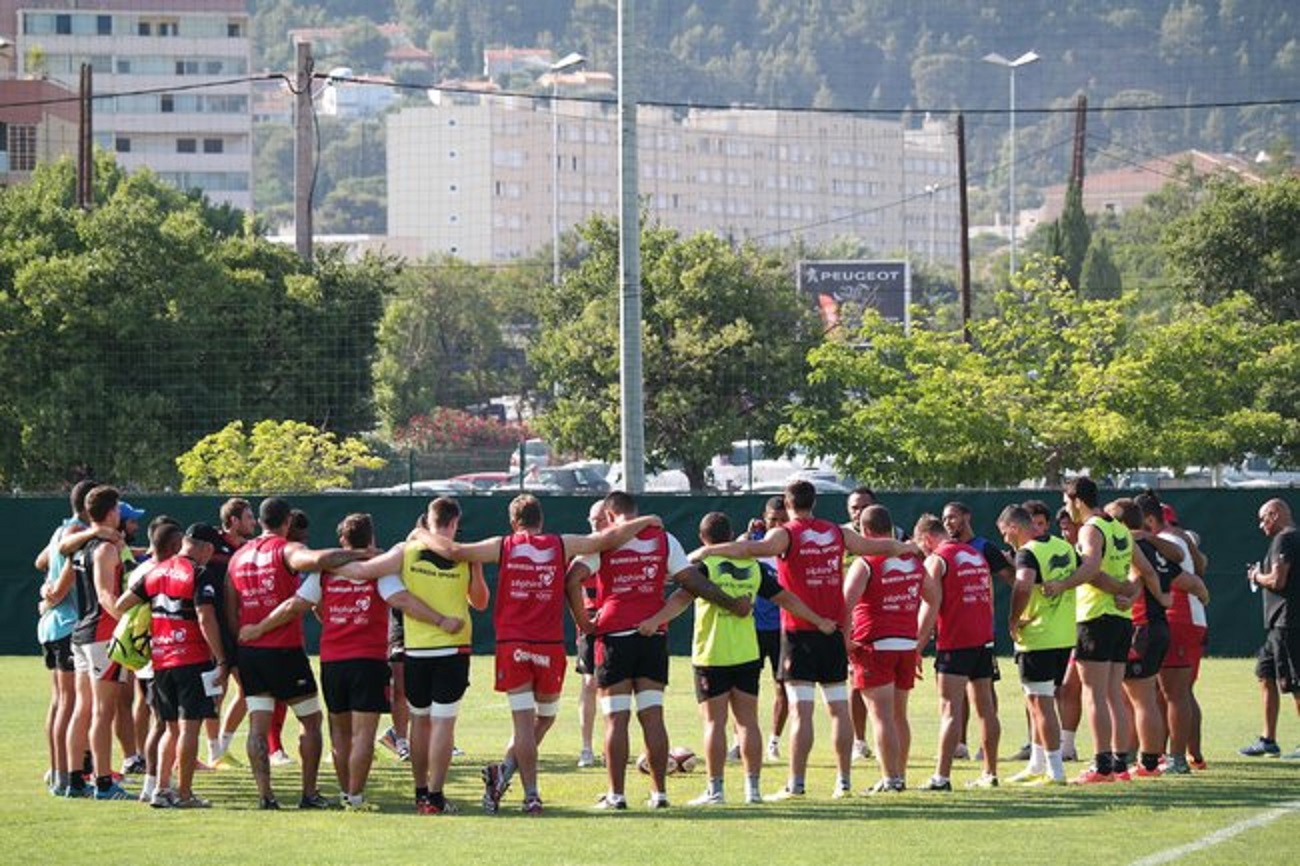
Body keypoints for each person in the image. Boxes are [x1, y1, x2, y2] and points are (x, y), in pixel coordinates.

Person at [409, 493, 662, 815]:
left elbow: (453, 550)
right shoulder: (561, 544)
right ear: (541, 519)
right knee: (539, 720)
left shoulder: (504, 545)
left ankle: (508, 776)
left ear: (514, 522)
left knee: (531, 722)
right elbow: (606, 538)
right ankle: (530, 794)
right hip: (549, 645)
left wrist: (419, 533)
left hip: (513, 644)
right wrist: (647, 520)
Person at [693, 480, 915, 800]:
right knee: (839, 709)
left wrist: (706, 551)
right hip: (834, 631)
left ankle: (796, 784)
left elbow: (749, 549)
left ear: (787, 502)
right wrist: (907, 548)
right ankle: (843, 783)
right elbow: (879, 546)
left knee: (802, 712)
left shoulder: (786, 534)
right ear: (815, 502)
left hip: (800, 632)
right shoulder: (837, 533)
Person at [240, 512, 457, 811]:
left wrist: (257, 628)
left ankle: (346, 793)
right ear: (372, 538)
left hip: (333, 663)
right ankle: (354, 798)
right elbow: (403, 601)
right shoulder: (379, 571)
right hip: (367, 661)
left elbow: (295, 606)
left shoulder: (325, 572)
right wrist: (440, 619)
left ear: (342, 540)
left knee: (339, 734)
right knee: (363, 736)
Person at [567, 491, 751, 810]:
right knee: (653, 716)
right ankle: (659, 794)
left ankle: (617, 796)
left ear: (610, 516)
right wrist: (733, 604)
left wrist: (585, 621)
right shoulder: (664, 539)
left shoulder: (606, 540)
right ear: (635, 511)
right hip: (652, 637)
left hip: (614, 636)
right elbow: (693, 582)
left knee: (616, 719)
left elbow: (572, 578)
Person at [638, 511, 835, 805]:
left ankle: (715, 791)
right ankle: (752, 790)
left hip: (712, 653)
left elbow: (680, 598)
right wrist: (818, 620)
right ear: (730, 537)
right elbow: (786, 598)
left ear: (704, 539)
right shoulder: (753, 567)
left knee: (714, 724)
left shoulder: (705, 566)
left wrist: (655, 620)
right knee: (748, 723)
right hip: (746, 652)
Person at [335, 497, 489, 815]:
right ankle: (436, 796)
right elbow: (481, 601)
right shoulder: (465, 554)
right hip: (454, 646)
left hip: (417, 649)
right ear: (454, 522)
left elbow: (363, 570)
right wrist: (475, 568)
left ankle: (421, 794)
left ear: (427, 520)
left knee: (419, 722)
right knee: (444, 724)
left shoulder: (405, 551)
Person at [225, 497, 367, 810]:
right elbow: (320, 560)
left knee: (257, 726)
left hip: (250, 652)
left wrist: (244, 636)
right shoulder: (286, 549)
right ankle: (309, 793)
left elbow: (230, 607)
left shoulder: (239, 556)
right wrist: (361, 553)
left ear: (260, 520)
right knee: (311, 721)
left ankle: (266, 796)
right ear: (287, 521)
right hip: (283, 650)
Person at [110, 523, 226, 808]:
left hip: (161, 660)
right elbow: (205, 618)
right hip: (192, 659)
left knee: (170, 728)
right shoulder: (198, 574)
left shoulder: (155, 571)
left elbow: (123, 603)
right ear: (206, 548)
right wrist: (221, 658)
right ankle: (184, 794)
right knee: (188, 729)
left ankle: (161, 789)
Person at [1046, 476, 1145, 783]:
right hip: (1119, 619)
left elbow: (1090, 567)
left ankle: (1102, 765)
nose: (1066, 508)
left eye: (1066, 502)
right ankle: (1118, 763)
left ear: (1077, 500)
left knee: (1094, 694)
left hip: (1094, 617)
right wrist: (1130, 594)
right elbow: (1144, 570)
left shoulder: (1091, 527)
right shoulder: (1119, 527)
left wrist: (1062, 584)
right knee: (1113, 694)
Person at [842, 505, 930, 793]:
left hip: (875, 645)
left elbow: (846, 603)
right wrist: (919, 637)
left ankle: (890, 779)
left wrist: (845, 641)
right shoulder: (913, 561)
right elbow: (933, 596)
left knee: (880, 716)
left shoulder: (866, 562)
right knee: (898, 716)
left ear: (865, 532)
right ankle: (899, 775)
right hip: (906, 643)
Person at [914, 514, 1000, 790]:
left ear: (927, 538)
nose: (923, 552)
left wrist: (916, 646)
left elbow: (930, 605)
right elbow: (988, 596)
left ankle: (941, 777)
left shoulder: (937, 560)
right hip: (982, 640)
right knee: (986, 709)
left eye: (921, 546)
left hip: (955, 642)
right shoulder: (974, 555)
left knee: (950, 710)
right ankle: (990, 772)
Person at [61, 485, 133, 800]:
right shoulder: (105, 549)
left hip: (82, 634)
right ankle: (103, 782)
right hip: (103, 635)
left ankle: (74, 779)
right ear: (112, 512)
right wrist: (127, 622)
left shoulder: (83, 546)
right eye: (118, 509)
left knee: (83, 707)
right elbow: (106, 594)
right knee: (103, 711)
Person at [997, 505, 1076, 786]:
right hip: (1064, 635)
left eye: (1005, 533)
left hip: (1038, 636)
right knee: (1036, 701)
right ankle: (1037, 763)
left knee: (1042, 704)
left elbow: (1022, 586)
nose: (1005, 539)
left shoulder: (1027, 552)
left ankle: (1055, 770)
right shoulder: (1063, 546)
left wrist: (1013, 620)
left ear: (1015, 528)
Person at [34, 479, 97, 796]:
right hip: (66, 624)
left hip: (51, 625)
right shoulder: (75, 536)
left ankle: (58, 772)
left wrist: (47, 590)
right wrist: (51, 594)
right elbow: (60, 586)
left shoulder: (62, 530)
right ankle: (63, 775)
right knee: (71, 704)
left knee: (61, 702)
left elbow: (41, 561)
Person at [1106, 499, 1173, 779]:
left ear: (1121, 523)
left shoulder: (1131, 546)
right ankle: (1144, 759)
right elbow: (1178, 570)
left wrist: (1127, 595)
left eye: (1110, 520)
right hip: (1156, 626)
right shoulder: (1153, 547)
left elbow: (1137, 577)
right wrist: (1164, 597)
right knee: (1141, 697)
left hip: (1141, 627)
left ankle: (1147, 763)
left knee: (1141, 698)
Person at [942, 501, 1013, 762]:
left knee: (984, 691)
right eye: (945, 519)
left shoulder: (984, 548)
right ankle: (959, 744)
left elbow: (1014, 579)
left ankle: (987, 748)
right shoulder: (945, 551)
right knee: (955, 693)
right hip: (952, 632)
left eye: (953, 517)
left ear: (967, 516)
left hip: (982, 633)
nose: (949, 522)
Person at [126, 517, 184, 806]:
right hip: (160, 656)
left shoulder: (142, 570)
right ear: (173, 545)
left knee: (162, 722)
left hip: (152, 656)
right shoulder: (157, 572)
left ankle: (155, 782)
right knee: (164, 723)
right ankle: (153, 785)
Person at [1243, 498, 1299, 760]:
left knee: (1296, 683)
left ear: (1275, 515)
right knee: (1265, 673)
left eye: (1264, 518)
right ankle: (1268, 740)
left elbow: (1278, 580)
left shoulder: (1285, 539)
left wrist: (1256, 576)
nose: (1260, 524)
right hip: (1277, 623)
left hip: (1288, 621)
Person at [208, 497, 257, 767]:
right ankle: (213, 751)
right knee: (217, 689)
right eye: (249, 517)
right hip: (213, 628)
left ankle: (223, 746)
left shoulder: (250, 549)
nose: (254, 522)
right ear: (234, 521)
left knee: (249, 689)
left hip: (238, 628)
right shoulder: (211, 542)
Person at [575, 499, 607, 769]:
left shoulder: (620, 546)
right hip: (591, 625)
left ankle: (612, 744)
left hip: (616, 623)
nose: (596, 524)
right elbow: (571, 583)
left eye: (600, 519)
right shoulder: (584, 549)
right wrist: (585, 619)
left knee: (613, 685)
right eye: (592, 519)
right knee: (589, 683)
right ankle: (586, 748)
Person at [1054, 507, 1083, 762]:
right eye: (1062, 527)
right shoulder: (1064, 553)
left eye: (1069, 526)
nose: (1066, 532)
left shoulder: (1090, 550)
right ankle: (1067, 745)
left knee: (1075, 687)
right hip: (1065, 630)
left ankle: (1120, 752)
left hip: (1091, 625)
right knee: (1065, 689)